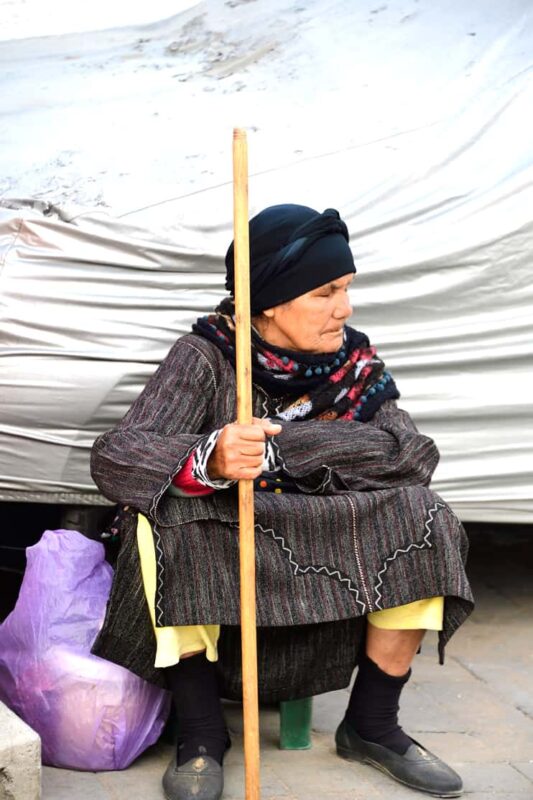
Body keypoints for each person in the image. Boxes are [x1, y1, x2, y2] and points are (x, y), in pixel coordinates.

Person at [91, 204, 474, 800]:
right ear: (269, 299)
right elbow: (116, 455)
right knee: (164, 521)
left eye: (346, 289)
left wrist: (279, 452)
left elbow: (411, 453)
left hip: (324, 551)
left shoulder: (354, 364)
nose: (343, 308)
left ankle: (372, 724)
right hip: (232, 556)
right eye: (325, 292)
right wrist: (212, 457)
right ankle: (199, 734)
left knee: (426, 517)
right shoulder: (208, 354)